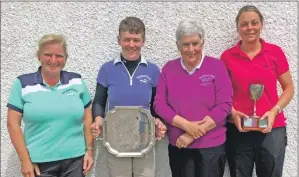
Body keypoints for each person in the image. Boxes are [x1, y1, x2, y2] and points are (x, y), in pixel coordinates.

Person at [220, 5, 294, 177]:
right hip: (238, 129)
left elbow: (289, 88)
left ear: (261, 24)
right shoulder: (227, 57)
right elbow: (221, 93)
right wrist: (231, 112)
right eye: (244, 24)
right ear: (237, 28)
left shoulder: (275, 52)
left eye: (254, 23)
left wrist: (274, 111)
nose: (249, 28)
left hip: (272, 129)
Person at [6, 34, 94, 177]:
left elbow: (87, 115)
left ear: (65, 58)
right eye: (48, 55)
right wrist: (25, 160)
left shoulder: (76, 81)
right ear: (38, 56)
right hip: (40, 165)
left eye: (59, 55)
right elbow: (12, 124)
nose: (53, 60)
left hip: (76, 162)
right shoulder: (22, 84)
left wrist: (89, 150)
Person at [154, 20, 233, 177]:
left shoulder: (216, 67)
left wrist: (192, 133)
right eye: (185, 44)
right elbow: (159, 104)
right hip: (179, 145)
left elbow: (224, 105)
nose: (191, 49)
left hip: (212, 146)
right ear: (178, 46)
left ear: (202, 43)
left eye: (195, 43)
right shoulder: (169, 69)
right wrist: (186, 125)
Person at [91, 16, 167, 177]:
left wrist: (159, 120)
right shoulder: (107, 69)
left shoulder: (153, 70)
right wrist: (98, 118)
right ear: (119, 41)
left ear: (143, 41)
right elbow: (99, 101)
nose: (131, 45)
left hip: (145, 139)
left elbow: (157, 103)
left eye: (136, 40)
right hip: (116, 140)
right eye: (127, 40)